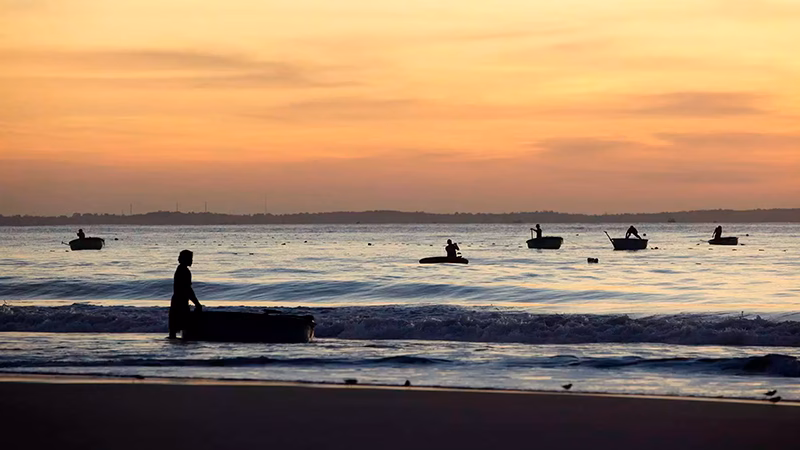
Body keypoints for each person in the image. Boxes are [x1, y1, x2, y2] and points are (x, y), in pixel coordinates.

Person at [169, 250, 202, 339]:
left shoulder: (180, 269)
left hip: (177, 300)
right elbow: (187, 289)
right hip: (180, 302)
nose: (191, 261)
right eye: (190, 258)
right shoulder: (184, 271)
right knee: (185, 326)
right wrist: (197, 304)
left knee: (175, 328)